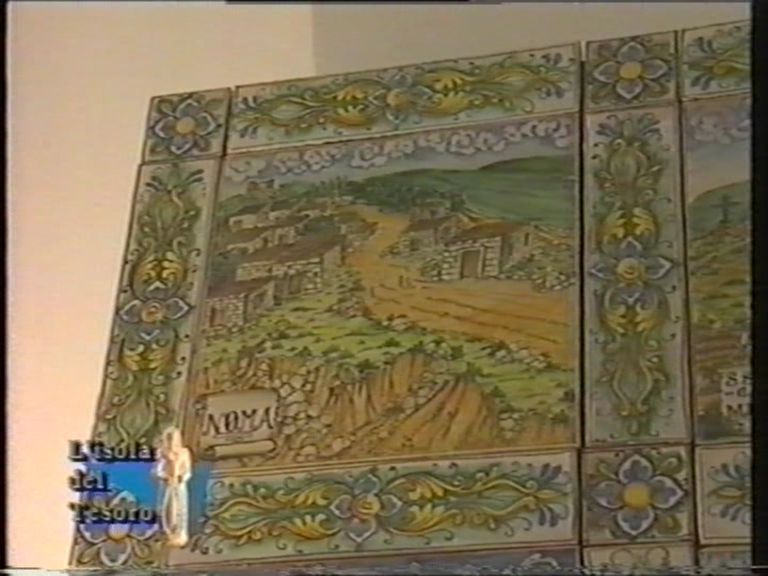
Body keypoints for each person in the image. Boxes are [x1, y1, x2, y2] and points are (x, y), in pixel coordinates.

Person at [155, 426, 192, 547]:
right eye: (169, 438)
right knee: (165, 508)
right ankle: (166, 533)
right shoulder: (162, 452)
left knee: (180, 508)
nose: (172, 441)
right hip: (167, 485)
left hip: (179, 485)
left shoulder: (184, 452)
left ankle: (179, 533)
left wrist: (182, 477)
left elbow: (187, 470)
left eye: (174, 438)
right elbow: (159, 470)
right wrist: (165, 477)